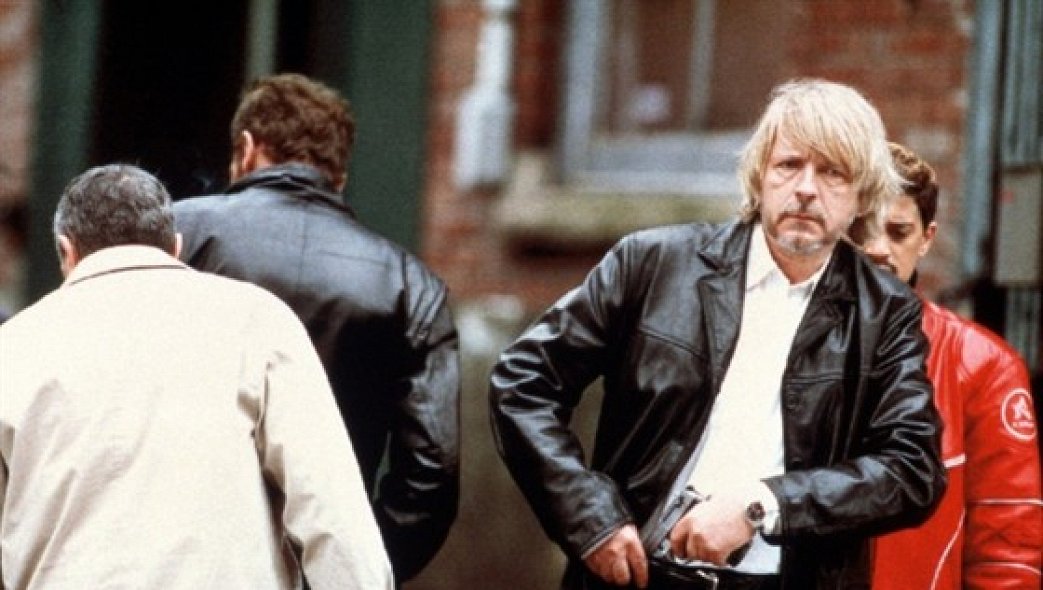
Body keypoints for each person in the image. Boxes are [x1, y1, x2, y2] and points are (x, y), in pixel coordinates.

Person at [489, 79, 947, 590]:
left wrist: (762, 505)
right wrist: (590, 517)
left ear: (862, 196)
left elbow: (912, 469)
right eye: (789, 164)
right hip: (640, 574)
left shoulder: (885, 312)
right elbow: (523, 382)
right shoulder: (653, 264)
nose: (805, 189)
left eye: (832, 173)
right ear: (759, 175)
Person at [0, 164, 393, 589]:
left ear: (67, 251)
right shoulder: (259, 320)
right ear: (176, 247)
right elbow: (332, 513)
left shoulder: (13, 346)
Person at [173, 72, 460, 582]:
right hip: (320, 565)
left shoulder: (174, 235)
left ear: (246, 148)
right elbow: (431, 475)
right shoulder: (409, 283)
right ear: (339, 175)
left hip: (180, 559)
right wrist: (351, 569)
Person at [847, 142, 1042, 589]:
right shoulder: (787, 341)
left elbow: (1007, 548)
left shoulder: (984, 365)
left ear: (927, 238)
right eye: (863, 229)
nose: (877, 248)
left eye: (898, 232)